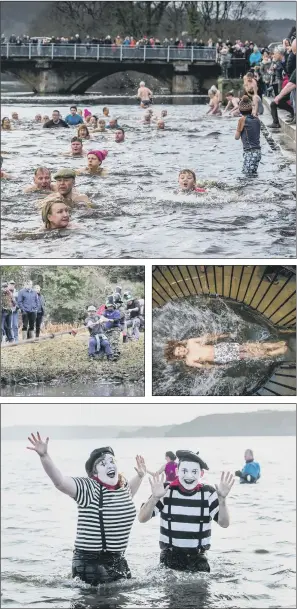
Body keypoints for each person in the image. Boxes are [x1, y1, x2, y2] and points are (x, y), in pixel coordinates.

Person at [27, 434, 147, 584]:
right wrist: (44, 456)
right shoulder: (88, 488)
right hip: (90, 562)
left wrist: (140, 476)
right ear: (94, 473)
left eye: (112, 461)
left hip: (118, 560)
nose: (109, 465)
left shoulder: (122, 488)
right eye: (103, 464)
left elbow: (128, 494)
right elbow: (60, 482)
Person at [139, 450, 234, 572]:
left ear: (201, 473)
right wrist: (154, 498)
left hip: (198, 559)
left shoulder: (208, 493)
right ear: (178, 471)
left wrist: (222, 499)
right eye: (184, 471)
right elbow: (142, 518)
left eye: (194, 472)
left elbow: (224, 523)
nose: (189, 476)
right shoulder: (165, 491)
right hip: (170, 558)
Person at [164, 334, 288, 368]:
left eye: (179, 349)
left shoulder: (190, 342)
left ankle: (273, 345)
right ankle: (274, 352)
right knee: (249, 354)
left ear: (180, 345)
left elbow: (206, 338)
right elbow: (204, 366)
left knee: (248, 346)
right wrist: (217, 368)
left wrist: (220, 336)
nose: (182, 351)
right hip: (221, 357)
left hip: (221, 348)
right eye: (179, 353)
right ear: (179, 357)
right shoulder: (189, 361)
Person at [235, 96, 261, 176]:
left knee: (246, 176)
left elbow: (236, 137)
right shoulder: (257, 119)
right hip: (258, 152)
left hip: (250, 152)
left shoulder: (242, 120)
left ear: (240, 110)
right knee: (253, 175)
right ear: (250, 110)